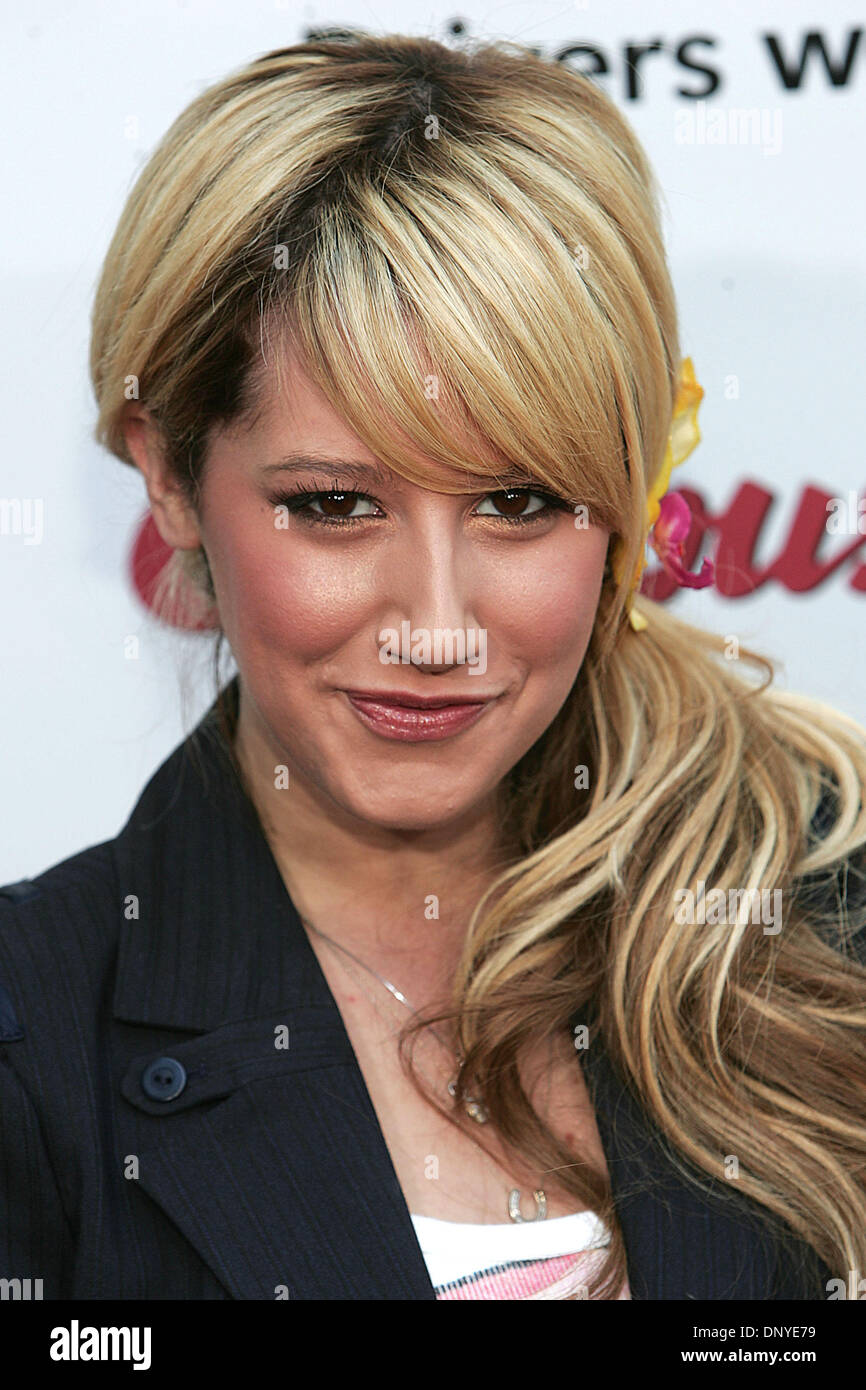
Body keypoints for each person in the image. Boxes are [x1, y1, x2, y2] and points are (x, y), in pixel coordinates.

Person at [2, 32, 866, 1302]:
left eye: (519, 501)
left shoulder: (823, 910)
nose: (438, 627)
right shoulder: (34, 1038)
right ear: (168, 470)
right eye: (335, 505)